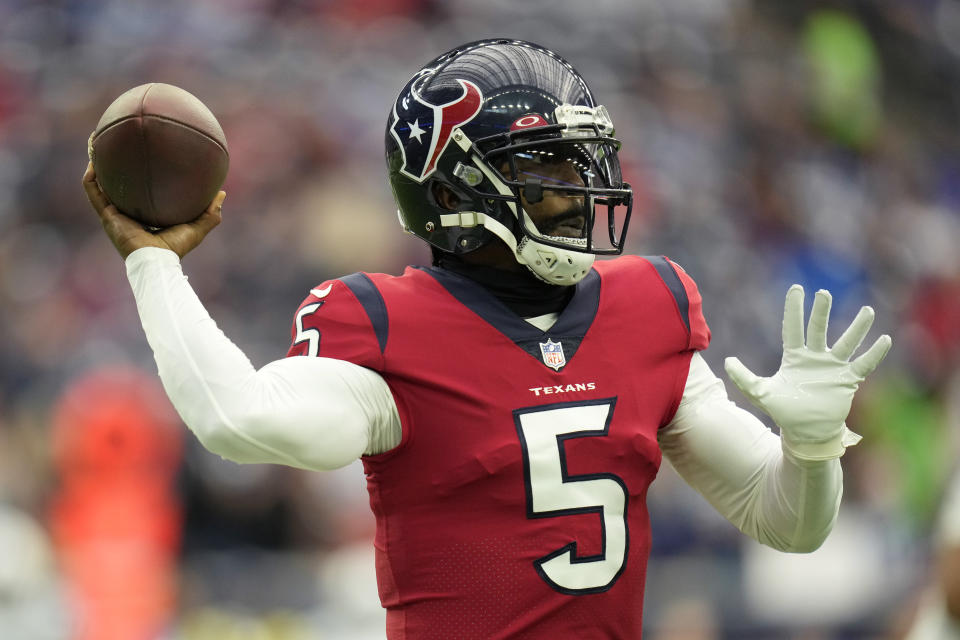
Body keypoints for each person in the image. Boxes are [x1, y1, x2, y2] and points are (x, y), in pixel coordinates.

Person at [84, 39, 892, 640]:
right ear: (455, 187)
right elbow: (239, 421)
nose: (580, 192)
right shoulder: (388, 324)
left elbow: (790, 524)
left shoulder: (650, 305)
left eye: (585, 164)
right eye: (548, 167)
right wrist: (154, 264)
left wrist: (813, 448)